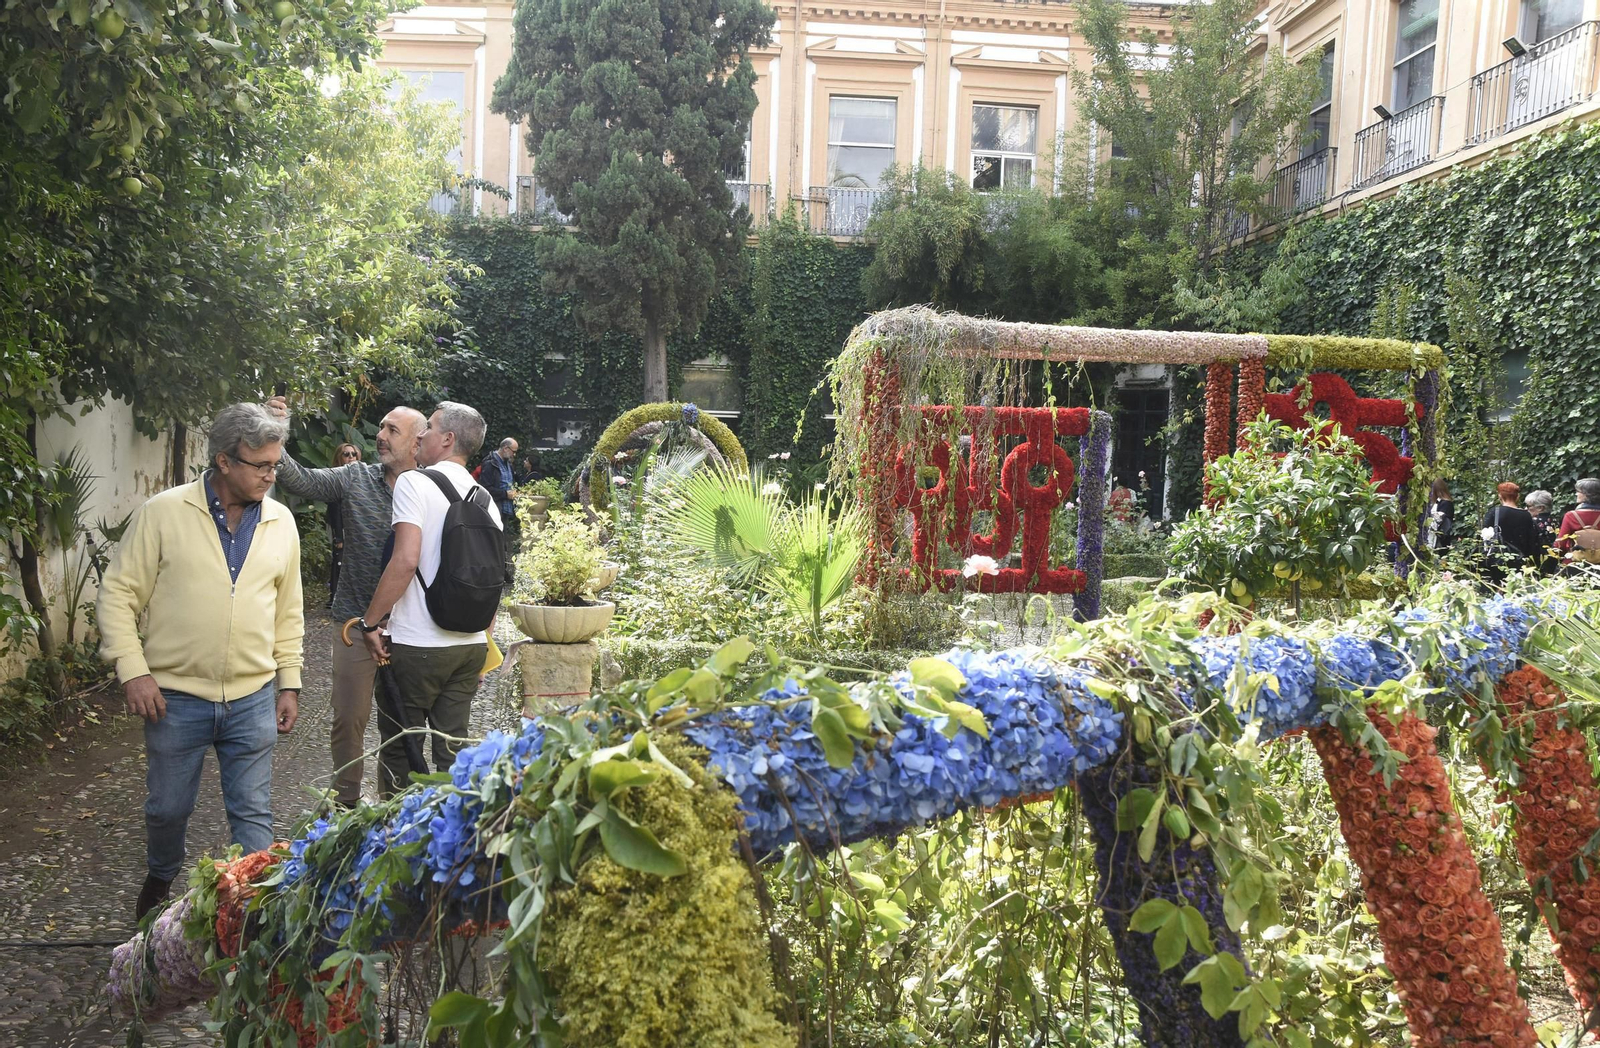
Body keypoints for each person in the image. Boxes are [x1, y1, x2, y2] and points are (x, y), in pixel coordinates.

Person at [97, 404, 304, 919]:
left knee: (253, 812)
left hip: (253, 697)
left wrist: (290, 682)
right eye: (259, 465)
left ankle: (260, 913)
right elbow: (117, 594)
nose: (269, 475)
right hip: (175, 700)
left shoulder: (281, 521)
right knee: (167, 809)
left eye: (274, 465)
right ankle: (161, 874)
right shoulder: (164, 513)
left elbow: (289, 610)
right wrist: (134, 670)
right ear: (223, 461)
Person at [265, 398, 427, 808]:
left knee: (403, 727)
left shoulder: (430, 489)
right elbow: (302, 480)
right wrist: (276, 429)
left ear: (419, 443)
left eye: (393, 430)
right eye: (383, 427)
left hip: (410, 628)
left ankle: (394, 808)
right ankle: (345, 809)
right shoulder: (356, 477)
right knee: (348, 721)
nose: (381, 436)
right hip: (354, 624)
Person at [359, 402, 504, 797]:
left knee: (401, 751)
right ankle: (447, 834)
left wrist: (369, 623)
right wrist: (483, 641)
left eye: (429, 428)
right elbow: (491, 579)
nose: (419, 435)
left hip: (418, 645)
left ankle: (395, 838)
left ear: (447, 439)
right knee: (454, 752)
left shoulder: (413, 483)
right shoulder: (486, 499)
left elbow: (405, 560)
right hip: (469, 647)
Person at [326, 443, 363, 606]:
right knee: (339, 562)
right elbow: (334, 511)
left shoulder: (363, 478)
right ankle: (335, 597)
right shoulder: (335, 478)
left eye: (353, 454)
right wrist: (338, 537)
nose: (350, 457)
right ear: (339, 457)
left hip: (358, 529)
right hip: (341, 528)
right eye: (346, 454)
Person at [479, 436, 520, 582]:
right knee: (496, 540)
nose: (514, 455)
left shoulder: (507, 464)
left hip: (505, 508)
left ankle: (501, 572)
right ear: (505, 448)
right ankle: (498, 573)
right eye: (513, 451)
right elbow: (484, 488)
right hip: (495, 506)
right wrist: (505, 494)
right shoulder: (490, 463)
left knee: (501, 540)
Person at [1481, 481, 1536, 583]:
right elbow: (1530, 540)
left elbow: (1484, 536)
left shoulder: (1495, 512)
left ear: (1500, 496)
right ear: (1517, 497)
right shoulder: (1526, 515)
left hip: (1498, 558)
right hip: (1520, 559)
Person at [1556, 477, 1600, 565]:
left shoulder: (1571, 516)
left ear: (1587, 494)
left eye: (1578, 491)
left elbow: (1560, 544)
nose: (1576, 494)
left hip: (1576, 563)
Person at [1524, 489, 1559, 575]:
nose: (1526, 508)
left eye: (1529, 506)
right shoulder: (1555, 520)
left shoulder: (1532, 522)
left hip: (1537, 562)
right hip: (1555, 561)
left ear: (1540, 508)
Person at [1422, 478, 1456, 555]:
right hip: (1440, 538)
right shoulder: (1441, 502)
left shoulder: (1445, 504)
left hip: (1440, 539)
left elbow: (1439, 520)